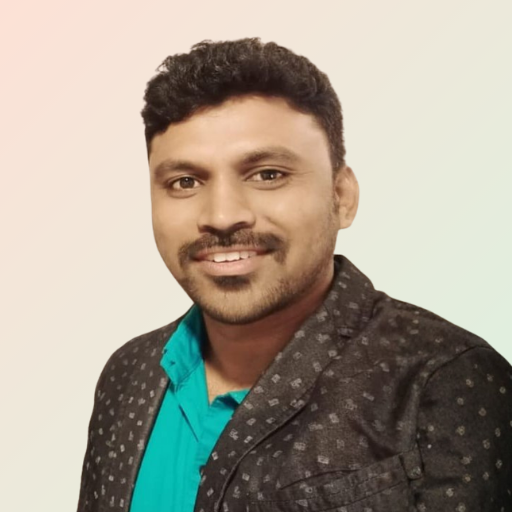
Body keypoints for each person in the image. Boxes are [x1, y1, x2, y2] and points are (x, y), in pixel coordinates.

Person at [77, 38, 512, 512]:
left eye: (267, 174)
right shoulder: (129, 373)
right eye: (185, 182)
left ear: (341, 197)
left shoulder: (446, 381)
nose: (222, 215)